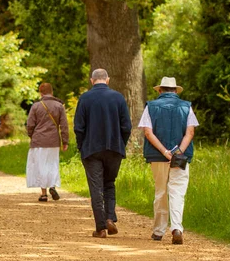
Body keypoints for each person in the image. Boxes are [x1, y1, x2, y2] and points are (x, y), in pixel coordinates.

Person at [138, 76, 198, 244]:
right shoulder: (187, 107)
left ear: (160, 90)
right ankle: (177, 227)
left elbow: (148, 133)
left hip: (158, 156)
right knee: (177, 191)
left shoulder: (151, 106)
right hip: (181, 156)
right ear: (175, 91)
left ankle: (158, 231)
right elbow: (190, 133)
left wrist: (165, 152)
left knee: (161, 191)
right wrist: (178, 151)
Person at [74, 68, 132, 238]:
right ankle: (109, 218)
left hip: (91, 149)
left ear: (92, 81)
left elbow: (79, 128)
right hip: (114, 148)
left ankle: (101, 228)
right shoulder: (118, 98)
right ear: (108, 80)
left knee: (96, 187)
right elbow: (126, 127)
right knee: (109, 183)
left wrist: (81, 147)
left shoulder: (84, 98)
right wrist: (121, 144)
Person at [26, 83, 70, 201]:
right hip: (53, 141)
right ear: (52, 92)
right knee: (52, 164)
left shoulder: (36, 106)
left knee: (40, 166)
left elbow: (30, 124)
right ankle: (52, 186)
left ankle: (44, 193)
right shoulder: (59, 106)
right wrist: (65, 141)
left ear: (41, 93)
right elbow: (64, 125)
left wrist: (32, 135)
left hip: (38, 140)